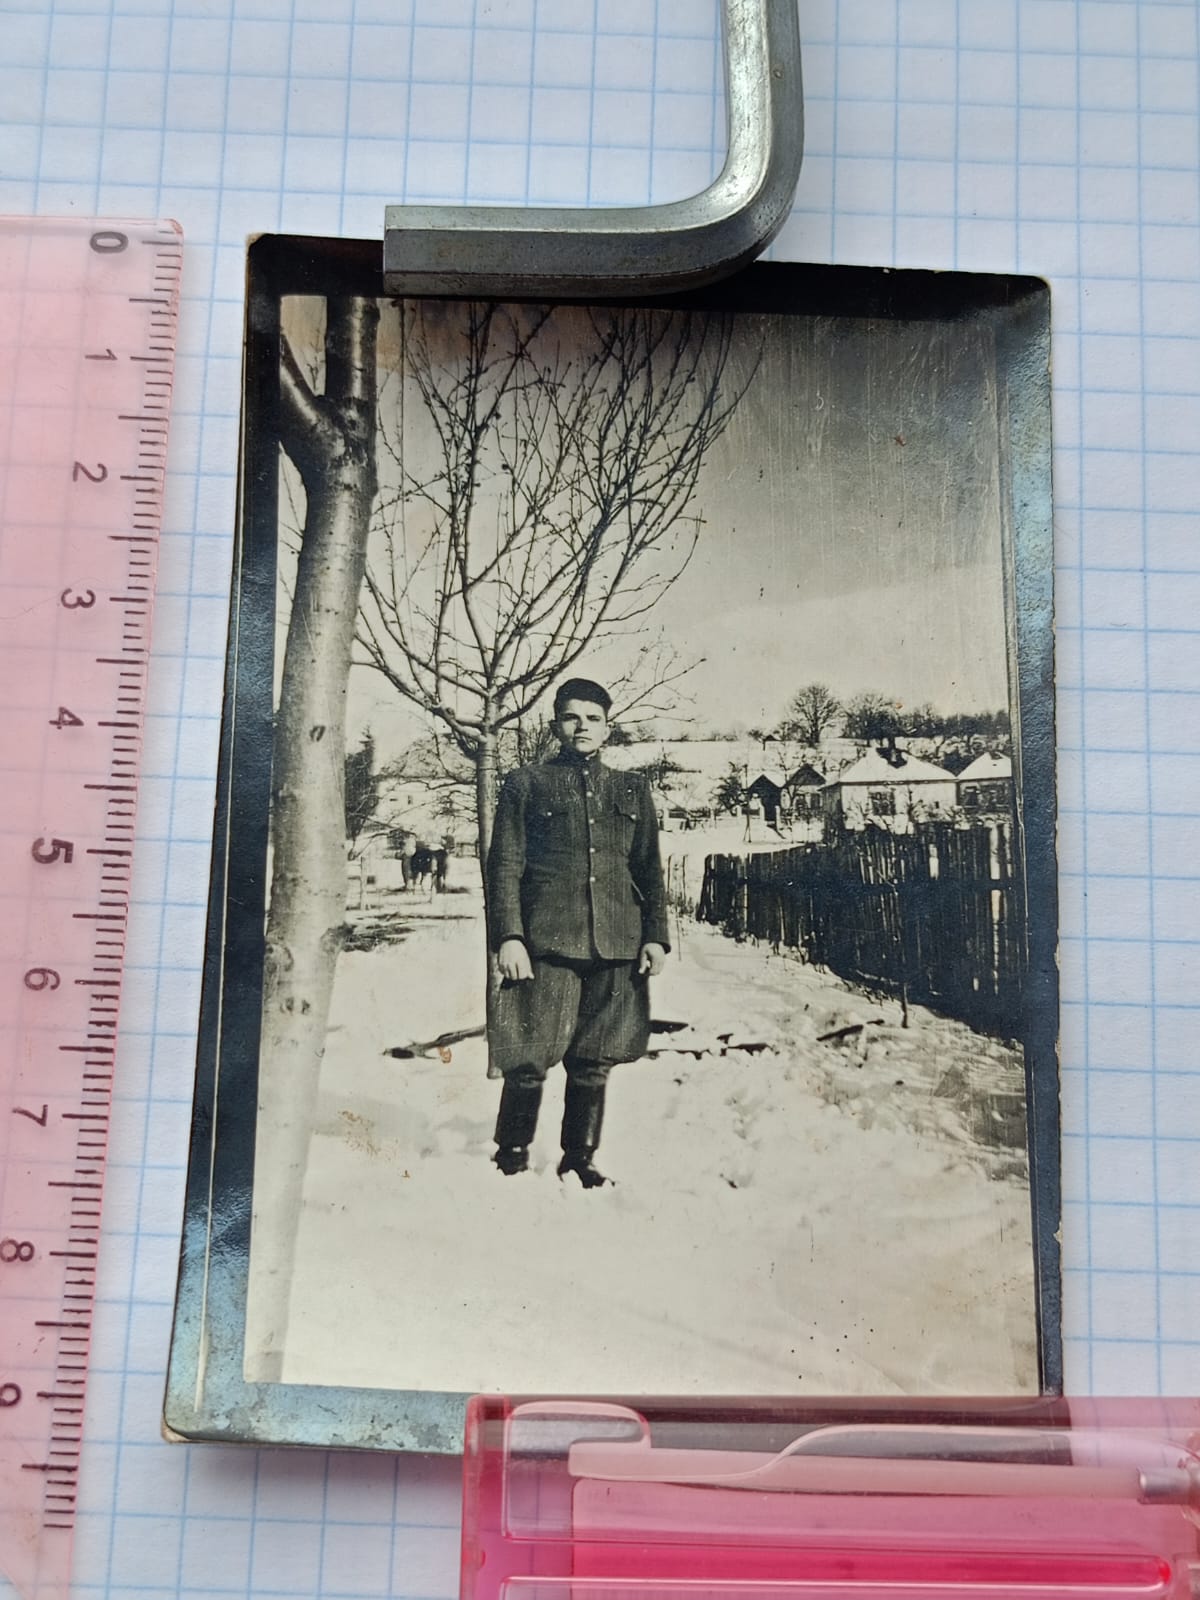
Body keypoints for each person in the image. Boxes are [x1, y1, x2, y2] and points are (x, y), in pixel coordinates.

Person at [486, 677, 669, 1186]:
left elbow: (648, 867)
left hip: (616, 943)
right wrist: (509, 936)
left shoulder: (632, 789)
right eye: (571, 717)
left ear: (608, 728)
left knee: (595, 1058)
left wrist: (655, 935)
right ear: (555, 726)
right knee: (528, 1054)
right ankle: (512, 1154)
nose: (582, 726)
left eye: (593, 718)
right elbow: (504, 866)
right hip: (546, 940)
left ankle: (579, 1159)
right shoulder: (526, 784)